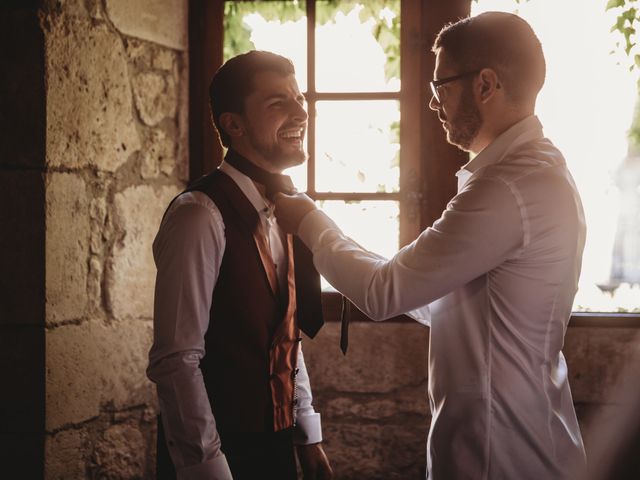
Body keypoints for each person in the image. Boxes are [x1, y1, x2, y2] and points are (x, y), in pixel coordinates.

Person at [275, 11, 587, 480]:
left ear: (485, 84)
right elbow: (434, 299)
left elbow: (385, 293)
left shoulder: (508, 188)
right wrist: (395, 274)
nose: (434, 103)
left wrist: (309, 220)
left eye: (441, 86)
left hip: (501, 451)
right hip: (516, 436)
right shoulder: (533, 173)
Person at [147, 50, 333, 480]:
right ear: (234, 124)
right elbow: (177, 360)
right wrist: (208, 468)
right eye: (277, 103)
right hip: (220, 452)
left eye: (299, 97)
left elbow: (284, 335)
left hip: (278, 446)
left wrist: (307, 436)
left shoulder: (286, 208)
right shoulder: (199, 215)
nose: (300, 112)